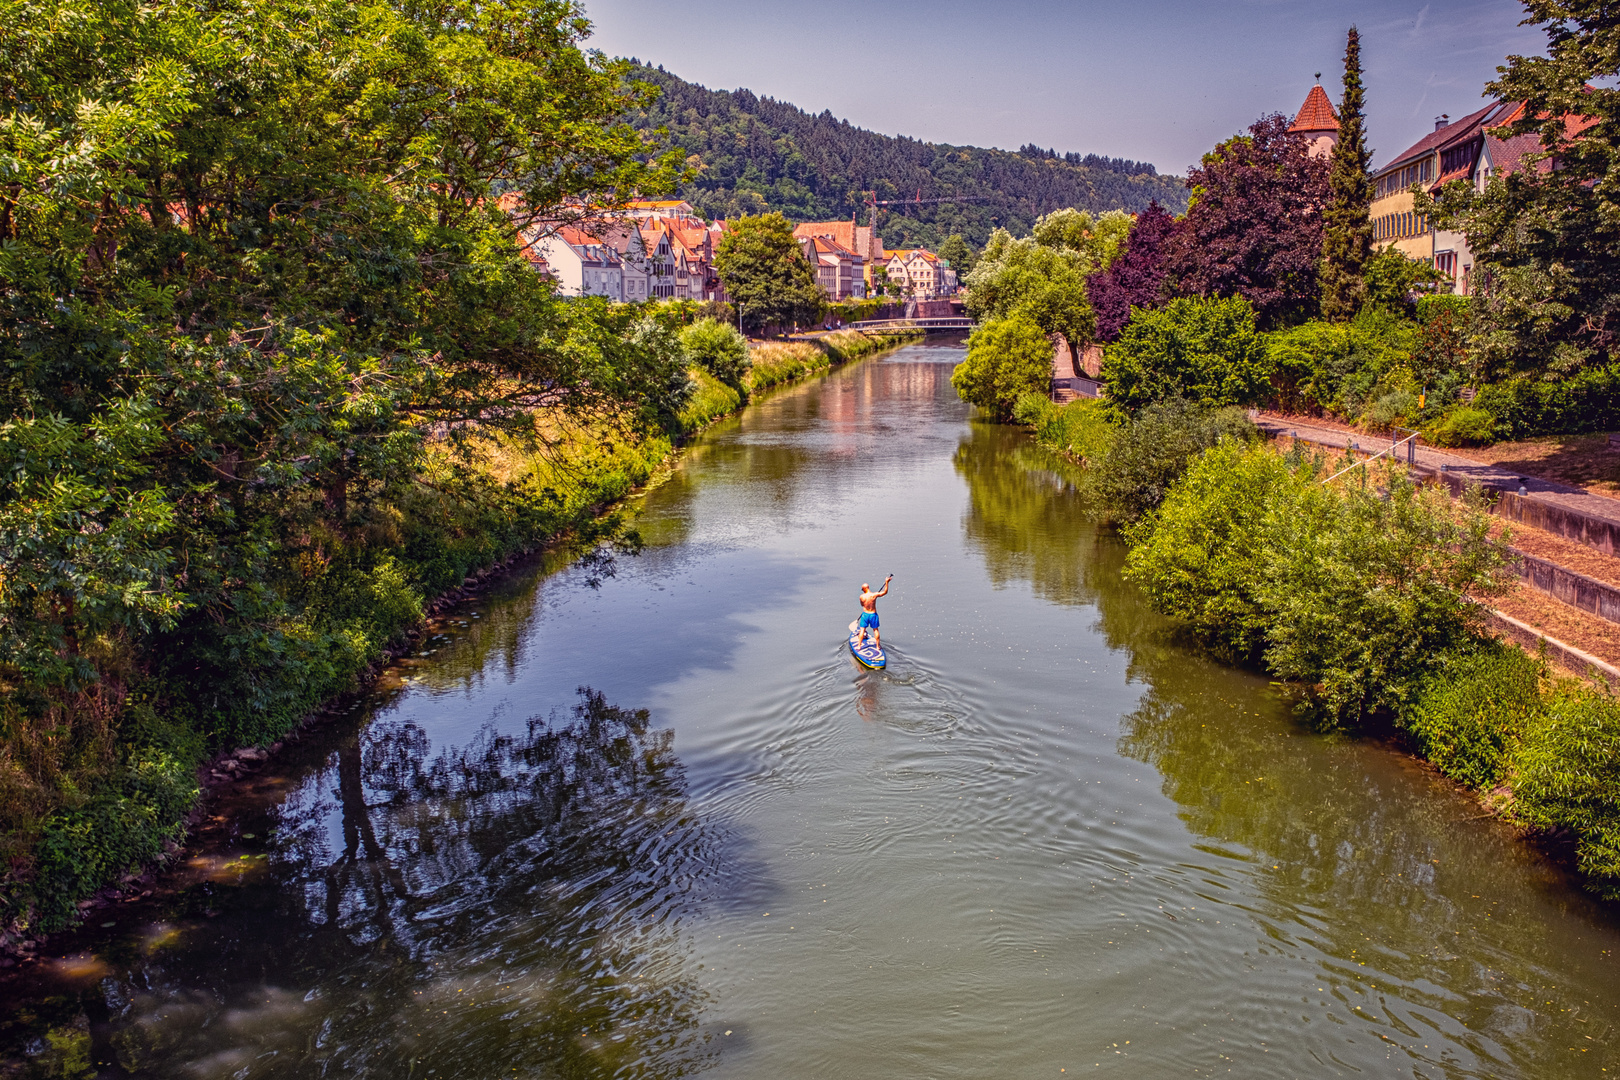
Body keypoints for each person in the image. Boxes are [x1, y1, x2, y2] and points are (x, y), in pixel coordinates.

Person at [854, 575, 892, 650]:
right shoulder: (874, 595)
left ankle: (859, 646)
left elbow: (862, 605)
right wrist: (886, 583)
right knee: (875, 630)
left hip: (865, 615)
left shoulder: (861, 596)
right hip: (873, 615)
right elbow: (885, 592)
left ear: (864, 589)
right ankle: (877, 646)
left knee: (862, 629)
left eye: (862, 589)